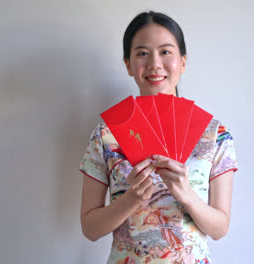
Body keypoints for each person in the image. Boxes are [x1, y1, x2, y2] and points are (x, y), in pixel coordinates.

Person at [79, 11, 238, 263]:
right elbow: (89, 228)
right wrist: (132, 199)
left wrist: (185, 193)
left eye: (165, 52)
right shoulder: (106, 134)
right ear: (128, 64)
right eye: (142, 53)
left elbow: (220, 228)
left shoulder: (215, 134)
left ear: (183, 62)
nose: (154, 64)